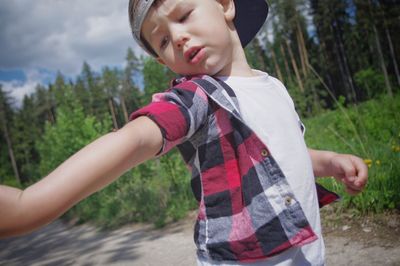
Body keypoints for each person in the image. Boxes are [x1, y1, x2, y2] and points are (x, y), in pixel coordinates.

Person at [0, 0, 367, 265]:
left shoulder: (273, 87)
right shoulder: (197, 97)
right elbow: (135, 138)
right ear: (163, 61)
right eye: (161, 41)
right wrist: (32, 204)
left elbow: (284, 153)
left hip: (306, 253)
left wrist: (331, 161)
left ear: (224, 4)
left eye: (184, 15)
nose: (176, 37)